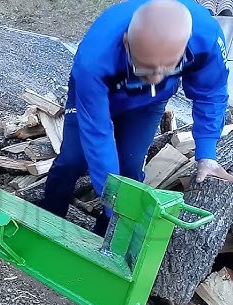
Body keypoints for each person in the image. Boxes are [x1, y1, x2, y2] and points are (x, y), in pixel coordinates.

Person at [39, 0, 233, 236]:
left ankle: (107, 238)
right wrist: (114, 201)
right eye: (146, 68)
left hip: (149, 103)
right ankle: (47, 218)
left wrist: (207, 154)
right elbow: (97, 133)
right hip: (99, 93)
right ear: (127, 43)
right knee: (73, 160)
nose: (153, 78)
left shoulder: (206, 39)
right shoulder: (95, 57)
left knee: (129, 170)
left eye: (165, 69)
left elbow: (211, 94)